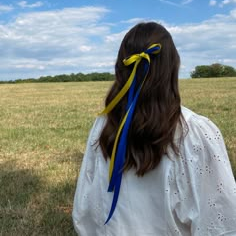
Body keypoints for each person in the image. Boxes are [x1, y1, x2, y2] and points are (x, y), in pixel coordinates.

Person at [72, 22, 236, 235]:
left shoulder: (105, 124)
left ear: (121, 68)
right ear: (172, 66)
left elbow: (85, 208)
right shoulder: (193, 132)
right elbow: (221, 222)